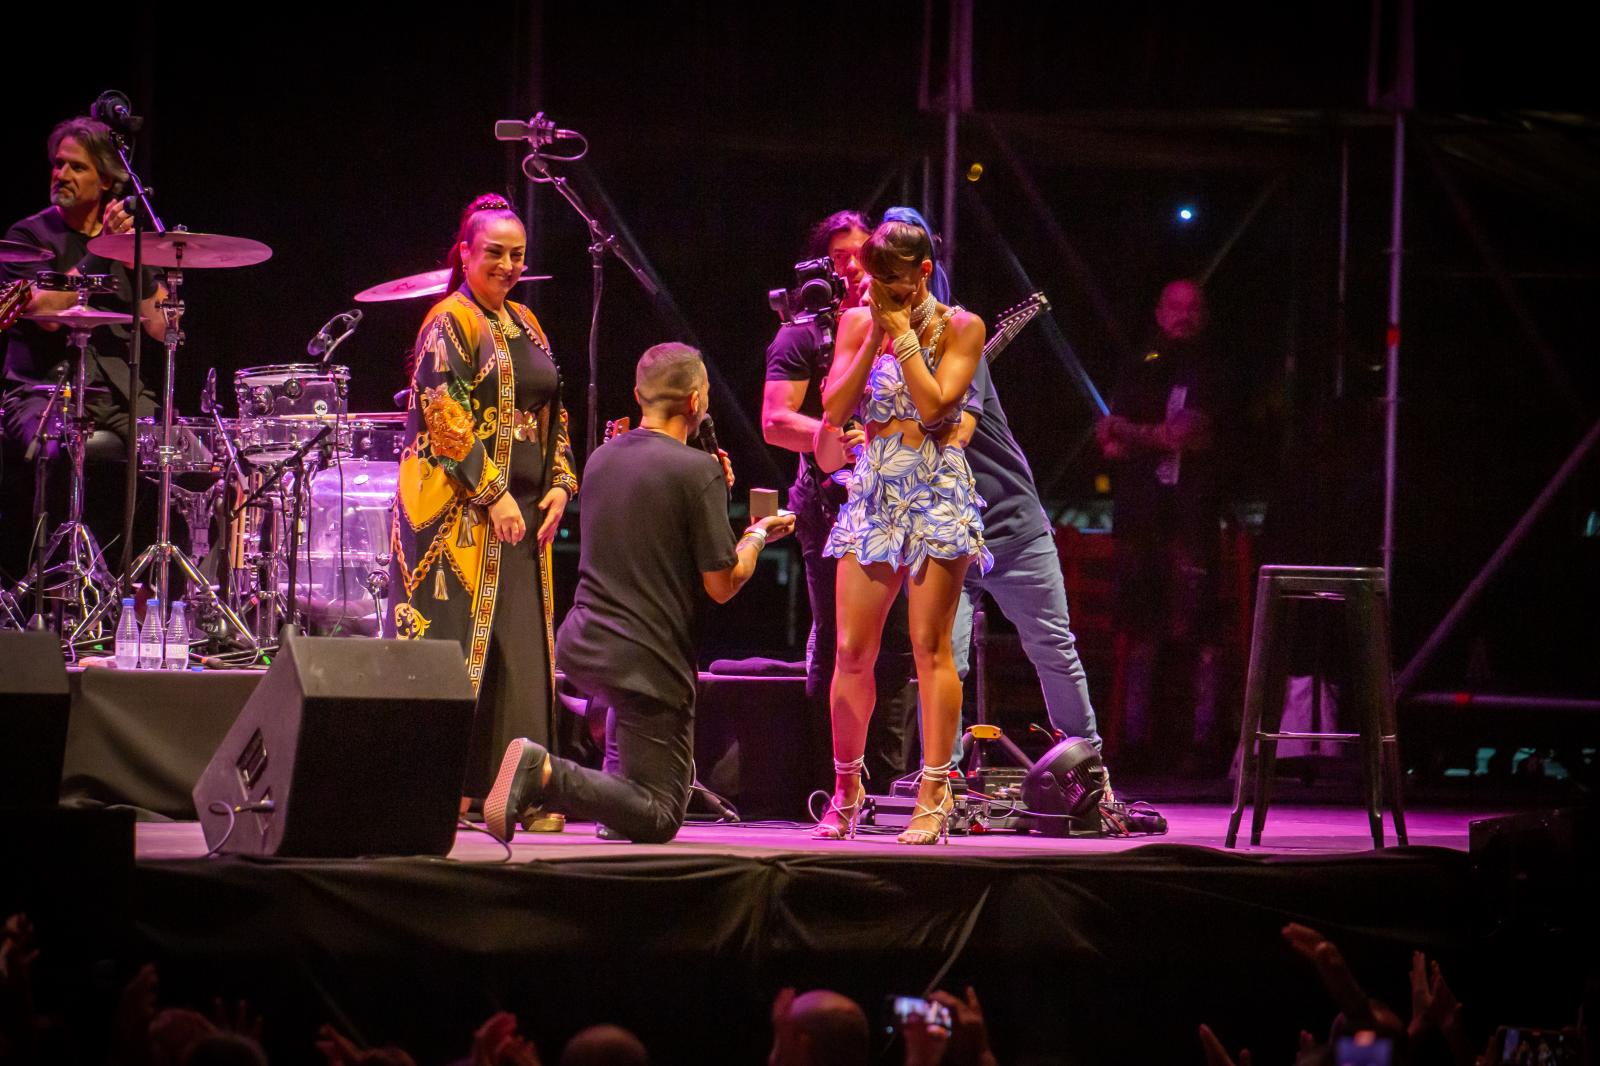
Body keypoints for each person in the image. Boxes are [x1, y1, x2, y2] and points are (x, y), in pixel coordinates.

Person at [484, 343, 795, 844]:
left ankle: (611, 808)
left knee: (631, 794)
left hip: (585, 646)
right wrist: (757, 534)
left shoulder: (603, 459)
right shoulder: (698, 473)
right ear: (695, 402)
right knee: (660, 814)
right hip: (646, 662)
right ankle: (542, 771)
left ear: (638, 395)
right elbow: (721, 584)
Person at [874, 208, 1111, 790]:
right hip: (942, 530)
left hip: (1008, 522)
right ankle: (941, 776)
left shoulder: (959, 338)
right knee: (937, 656)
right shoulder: (878, 351)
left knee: (1051, 645)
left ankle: (1089, 772)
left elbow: (954, 430)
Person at [390, 193, 578, 810]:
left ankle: (515, 789)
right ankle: (454, 790)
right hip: (460, 514)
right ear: (465, 253)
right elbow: (442, 415)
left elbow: (553, 407)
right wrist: (493, 492)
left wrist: (558, 481)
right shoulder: (449, 320)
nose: (507, 264)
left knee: (522, 657)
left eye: (517, 255)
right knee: (465, 648)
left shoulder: (527, 321)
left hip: (522, 517)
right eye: (494, 252)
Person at [816, 216, 990, 845]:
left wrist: (906, 338)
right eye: (872, 280)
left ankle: (935, 790)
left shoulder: (962, 326)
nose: (876, 290)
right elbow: (835, 410)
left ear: (921, 274)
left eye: (890, 280)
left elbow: (938, 404)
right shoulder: (859, 321)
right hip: (873, 493)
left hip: (935, 491)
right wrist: (873, 337)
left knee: (930, 647)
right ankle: (846, 788)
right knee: (851, 651)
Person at [761, 209, 918, 792]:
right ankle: (829, 783)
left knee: (900, 647)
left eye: (861, 254)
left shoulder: (909, 326)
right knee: (839, 643)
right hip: (830, 506)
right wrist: (840, 442)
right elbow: (776, 421)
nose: (852, 266)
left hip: (898, 502)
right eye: (839, 257)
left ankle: (889, 782)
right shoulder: (803, 332)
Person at [1, 116, 167, 572]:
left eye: (76, 168)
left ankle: (139, 581)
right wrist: (102, 249)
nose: (62, 176)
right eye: (58, 165)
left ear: (107, 180)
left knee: (184, 456)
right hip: (42, 389)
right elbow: (44, 313)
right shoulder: (28, 238)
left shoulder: (127, 242)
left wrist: (141, 259)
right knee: (54, 452)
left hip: (116, 390)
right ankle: (45, 583)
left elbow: (159, 326)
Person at [1095, 278, 1226, 770]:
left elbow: (1188, 435)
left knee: (1195, 627)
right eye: (1175, 306)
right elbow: (1109, 439)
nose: (1183, 315)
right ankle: (1132, 742)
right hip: (1142, 519)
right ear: (1158, 312)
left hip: (1193, 518)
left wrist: (1133, 432)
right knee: (1139, 626)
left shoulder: (1214, 370)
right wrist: (1136, 435)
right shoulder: (1140, 367)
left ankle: (1200, 743)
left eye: (1193, 307)